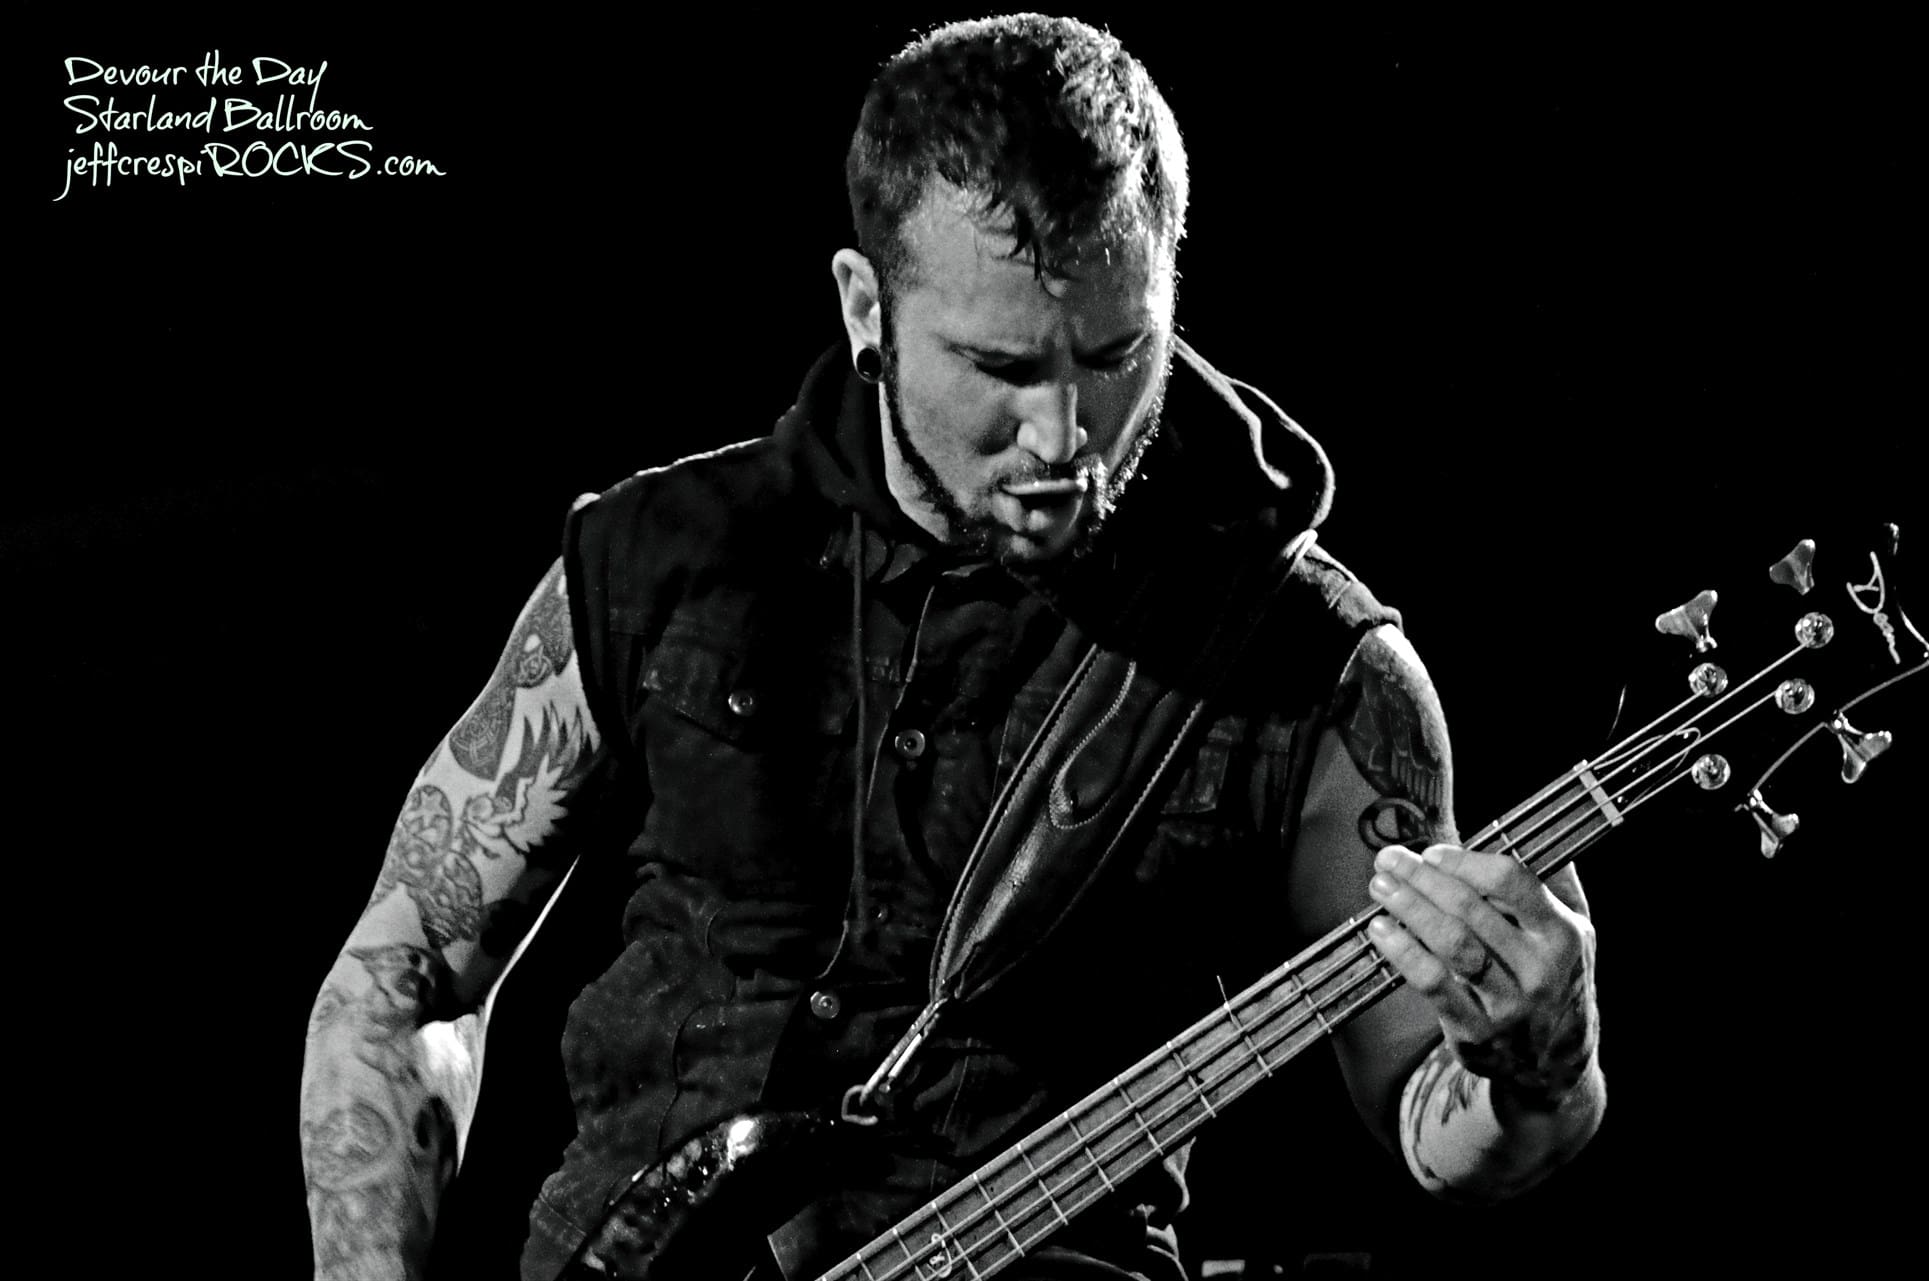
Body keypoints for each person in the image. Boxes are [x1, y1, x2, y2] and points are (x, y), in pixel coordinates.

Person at [300, 14, 1605, 1280]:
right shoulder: (660, 559)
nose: (1063, 437)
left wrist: (1541, 1065)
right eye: (1000, 366)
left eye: (1116, 355)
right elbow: (402, 989)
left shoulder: (1312, 669)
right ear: (865, 307)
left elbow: (1437, 1130)